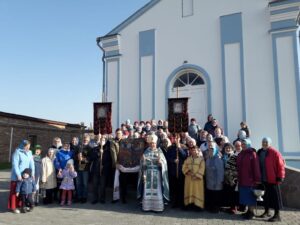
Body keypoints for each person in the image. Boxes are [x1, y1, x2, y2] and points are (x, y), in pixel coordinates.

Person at [137, 134, 169, 212]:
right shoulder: (146, 151)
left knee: (157, 190)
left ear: (156, 143)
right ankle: (147, 207)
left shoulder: (159, 151)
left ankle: (157, 208)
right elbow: (142, 164)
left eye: (154, 143)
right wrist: (143, 161)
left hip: (156, 174)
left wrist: (160, 163)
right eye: (151, 143)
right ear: (149, 143)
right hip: (147, 174)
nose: (152, 144)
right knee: (147, 190)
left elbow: (164, 163)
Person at [257, 137, 285, 222]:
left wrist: (280, 176)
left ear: (270, 143)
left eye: (266, 142)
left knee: (275, 198)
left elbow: (281, 165)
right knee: (266, 197)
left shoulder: (274, 152)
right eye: (263, 142)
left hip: (273, 179)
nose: (264, 143)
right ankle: (266, 212)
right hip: (263, 179)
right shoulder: (260, 152)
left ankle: (277, 215)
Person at [8, 140, 35, 214]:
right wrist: (18, 175)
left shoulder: (29, 152)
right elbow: (15, 165)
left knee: (22, 192)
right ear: (23, 145)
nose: (28, 148)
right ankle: (13, 207)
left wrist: (32, 173)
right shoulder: (17, 152)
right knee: (15, 192)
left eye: (29, 146)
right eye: (26, 146)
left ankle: (20, 206)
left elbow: (31, 163)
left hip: (26, 176)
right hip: (17, 176)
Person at [237, 139, 261, 220]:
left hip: (250, 180)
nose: (243, 145)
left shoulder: (252, 154)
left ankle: (252, 212)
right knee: (246, 197)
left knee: (251, 197)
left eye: (245, 144)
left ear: (249, 144)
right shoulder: (240, 154)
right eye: (242, 144)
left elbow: (256, 167)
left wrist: (257, 179)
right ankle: (248, 211)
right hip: (242, 179)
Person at [166, 134, 188, 208]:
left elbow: (185, 156)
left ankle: (181, 203)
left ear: (180, 139)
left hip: (181, 171)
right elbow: (167, 158)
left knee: (181, 188)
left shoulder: (184, 147)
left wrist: (179, 148)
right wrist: (173, 160)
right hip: (173, 171)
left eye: (177, 138)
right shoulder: (170, 148)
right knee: (174, 188)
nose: (176, 139)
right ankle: (174, 203)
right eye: (175, 138)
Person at [90, 135, 112, 204]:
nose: (102, 141)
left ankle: (102, 198)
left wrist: (104, 166)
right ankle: (95, 198)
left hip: (103, 170)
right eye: (101, 140)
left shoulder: (107, 150)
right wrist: (99, 153)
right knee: (95, 185)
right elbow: (92, 157)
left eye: (103, 140)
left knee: (103, 186)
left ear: (105, 141)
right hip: (96, 170)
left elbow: (109, 160)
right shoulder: (95, 148)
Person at [182, 145, 205, 211]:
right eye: (192, 150)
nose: (193, 151)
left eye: (195, 150)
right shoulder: (188, 159)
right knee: (189, 191)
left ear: (198, 151)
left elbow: (202, 168)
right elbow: (184, 166)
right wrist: (187, 172)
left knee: (197, 192)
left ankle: (198, 206)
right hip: (189, 178)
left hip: (197, 179)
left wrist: (197, 175)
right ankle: (189, 204)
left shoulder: (201, 159)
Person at [205, 142, 224, 213]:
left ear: (215, 150)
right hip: (209, 181)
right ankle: (211, 207)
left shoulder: (218, 159)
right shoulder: (208, 159)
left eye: (212, 150)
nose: (211, 152)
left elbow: (220, 172)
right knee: (211, 195)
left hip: (217, 182)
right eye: (209, 150)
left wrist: (219, 181)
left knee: (216, 196)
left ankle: (216, 208)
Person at [74, 134, 92, 203]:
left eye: (87, 138)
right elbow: (74, 156)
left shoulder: (90, 148)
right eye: (84, 138)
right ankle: (79, 196)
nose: (85, 139)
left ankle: (84, 197)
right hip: (78, 167)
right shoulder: (78, 147)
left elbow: (90, 158)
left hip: (85, 168)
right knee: (78, 183)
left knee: (84, 184)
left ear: (89, 139)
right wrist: (77, 157)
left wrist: (83, 159)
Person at [223, 143, 239, 214]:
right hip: (227, 178)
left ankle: (234, 208)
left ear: (232, 149)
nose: (228, 149)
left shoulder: (235, 156)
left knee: (233, 194)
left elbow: (236, 168)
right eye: (226, 148)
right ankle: (231, 207)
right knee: (229, 193)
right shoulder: (224, 156)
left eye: (229, 148)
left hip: (233, 178)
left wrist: (233, 179)